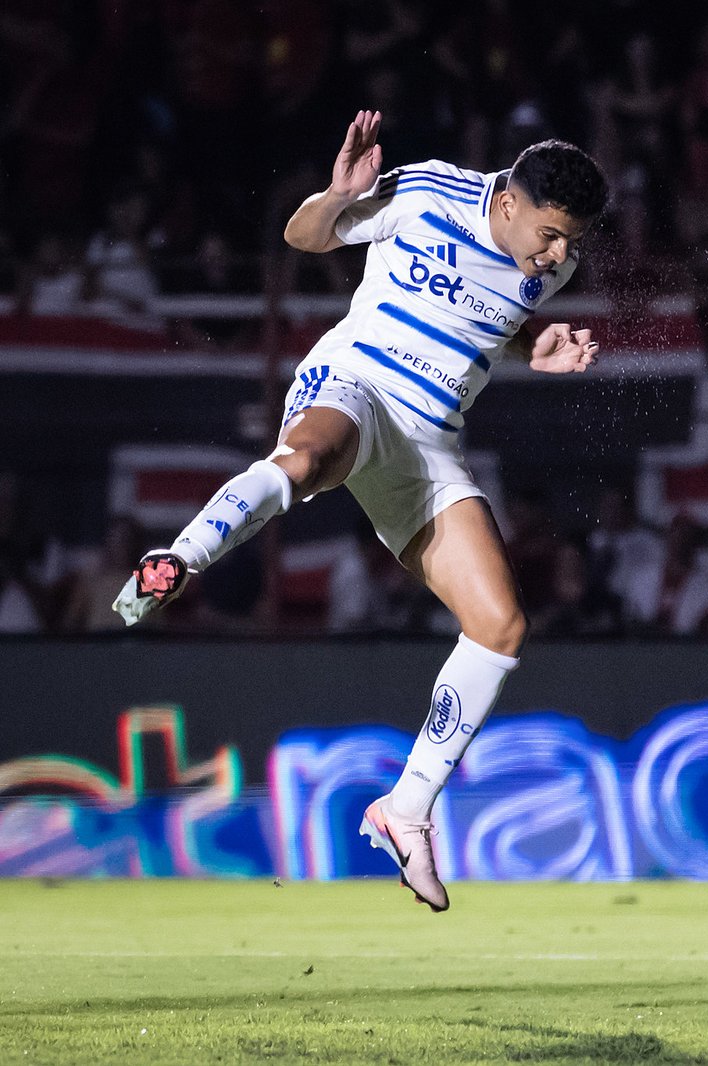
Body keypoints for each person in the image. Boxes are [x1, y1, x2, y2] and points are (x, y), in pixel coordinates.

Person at [112, 111, 609, 913]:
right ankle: (178, 561)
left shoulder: (550, 267)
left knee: (502, 626)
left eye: (570, 240)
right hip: (357, 386)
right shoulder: (426, 191)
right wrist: (334, 197)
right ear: (510, 203)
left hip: (429, 444)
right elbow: (306, 238)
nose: (559, 254)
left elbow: (494, 317)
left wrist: (534, 348)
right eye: (551, 234)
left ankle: (406, 809)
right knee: (307, 461)